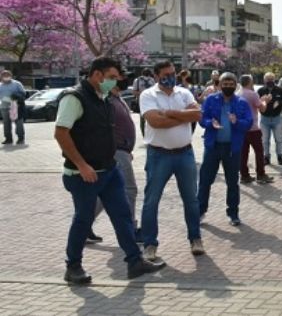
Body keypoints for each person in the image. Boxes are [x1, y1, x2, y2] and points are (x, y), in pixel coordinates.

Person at [55, 57, 164, 284]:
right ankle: (73, 266)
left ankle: (135, 261)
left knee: (122, 215)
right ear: (97, 74)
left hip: (109, 170)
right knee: (83, 220)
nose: (114, 82)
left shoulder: (103, 97)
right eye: (112, 77)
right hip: (83, 174)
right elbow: (61, 133)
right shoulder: (74, 98)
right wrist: (82, 165)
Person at [139, 60, 204, 262]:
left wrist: (170, 113)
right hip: (159, 155)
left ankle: (195, 238)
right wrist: (182, 116)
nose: (171, 77)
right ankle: (150, 244)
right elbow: (155, 122)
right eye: (166, 74)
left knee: (191, 200)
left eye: (173, 73)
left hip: (185, 153)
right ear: (157, 76)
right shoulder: (148, 95)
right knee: (151, 201)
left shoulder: (183, 93)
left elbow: (197, 115)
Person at [89, 78, 140, 244]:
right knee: (130, 189)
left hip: (122, 151)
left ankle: (83, 225)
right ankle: (130, 229)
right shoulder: (107, 100)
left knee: (106, 192)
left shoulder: (118, 98)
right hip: (116, 151)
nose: (122, 79)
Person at [197, 72, 252, 226]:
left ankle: (233, 213)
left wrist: (237, 122)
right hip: (213, 146)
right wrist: (210, 123)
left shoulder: (242, 102)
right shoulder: (210, 100)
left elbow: (248, 122)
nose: (228, 87)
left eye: (231, 84)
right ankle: (200, 211)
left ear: (236, 85)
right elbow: (202, 118)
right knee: (205, 180)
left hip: (232, 148)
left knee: (232, 182)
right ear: (219, 85)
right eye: (225, 84)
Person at [238, 74, 274, 184]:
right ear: (249, 82)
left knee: (243, 153)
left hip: (241, 128)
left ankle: (244, 175)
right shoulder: (252, 94)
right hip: (253, 128)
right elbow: (262, 109)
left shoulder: (237, 93)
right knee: (259, 152)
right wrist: (265, 101)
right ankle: (261, 174)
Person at [258, 72, 282, 167]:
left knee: (279, 139)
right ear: (264, 80)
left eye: (271, 79)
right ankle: (266, 157)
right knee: (265, 140)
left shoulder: (279, 90)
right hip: (265, 119)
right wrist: (263, 101)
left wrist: (279, 102)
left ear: (274, 80)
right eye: (268, 79)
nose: (270, 81)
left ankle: (280, 156)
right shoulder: (261, 90)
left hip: (277, 118)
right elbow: (256, 102)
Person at [0, 70, 25, 145]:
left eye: (7, 75)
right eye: (4, 75)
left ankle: (21, 138)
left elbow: (23, 93)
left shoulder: (17, 84)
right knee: (6, 124)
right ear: (1, 77)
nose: (6, 77)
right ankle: (8, 139)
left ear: (11, 75)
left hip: (16, 107)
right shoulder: (0, 85)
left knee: (19, 123)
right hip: (4, 107)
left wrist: (16, 96)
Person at [131, 68, 155, 135]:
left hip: (151, 101)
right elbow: (134, 92)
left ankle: (150, 133)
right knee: (143, 119)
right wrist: (143, 93)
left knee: (151, 117)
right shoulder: (137, 80)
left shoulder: (151, 80)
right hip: (141, 101)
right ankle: (144, 134)